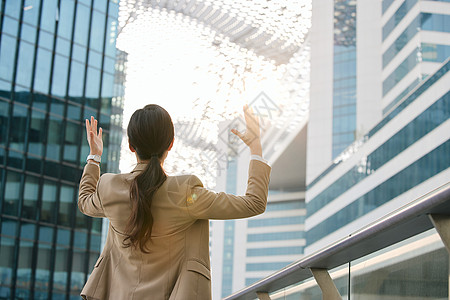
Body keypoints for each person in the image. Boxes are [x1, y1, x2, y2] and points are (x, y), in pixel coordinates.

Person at [78, 104, 271, 300]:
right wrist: (255, 147)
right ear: (170, 144)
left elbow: (84, 201)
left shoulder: (110, 188)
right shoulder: (185, 193)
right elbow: (254, 203)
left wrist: (94, 157)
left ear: (130, 146)